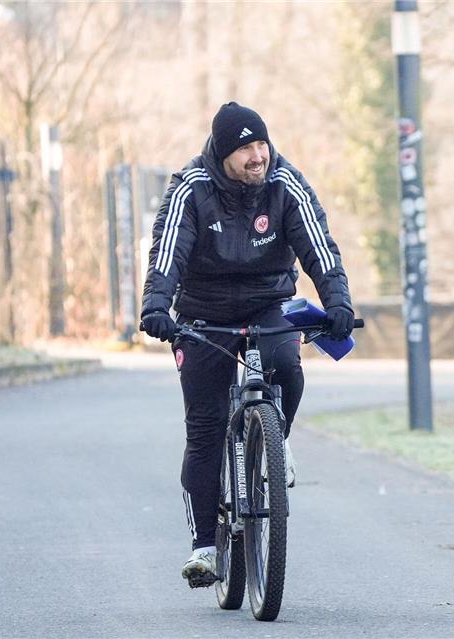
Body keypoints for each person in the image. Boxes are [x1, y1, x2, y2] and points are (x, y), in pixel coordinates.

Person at [140, 102, 355, 588]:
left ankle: (273, 443)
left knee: (286, 366)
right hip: (203, 314)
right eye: (246, 148)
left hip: (268, 302)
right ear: (223, 153)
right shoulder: (191, 189)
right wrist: (157, 306)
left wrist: (338, 301)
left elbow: (320, 247)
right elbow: (168, 251)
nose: (258, 155)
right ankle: (204, 549)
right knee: (205, 427)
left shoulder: (284, 183)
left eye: (261, 144)